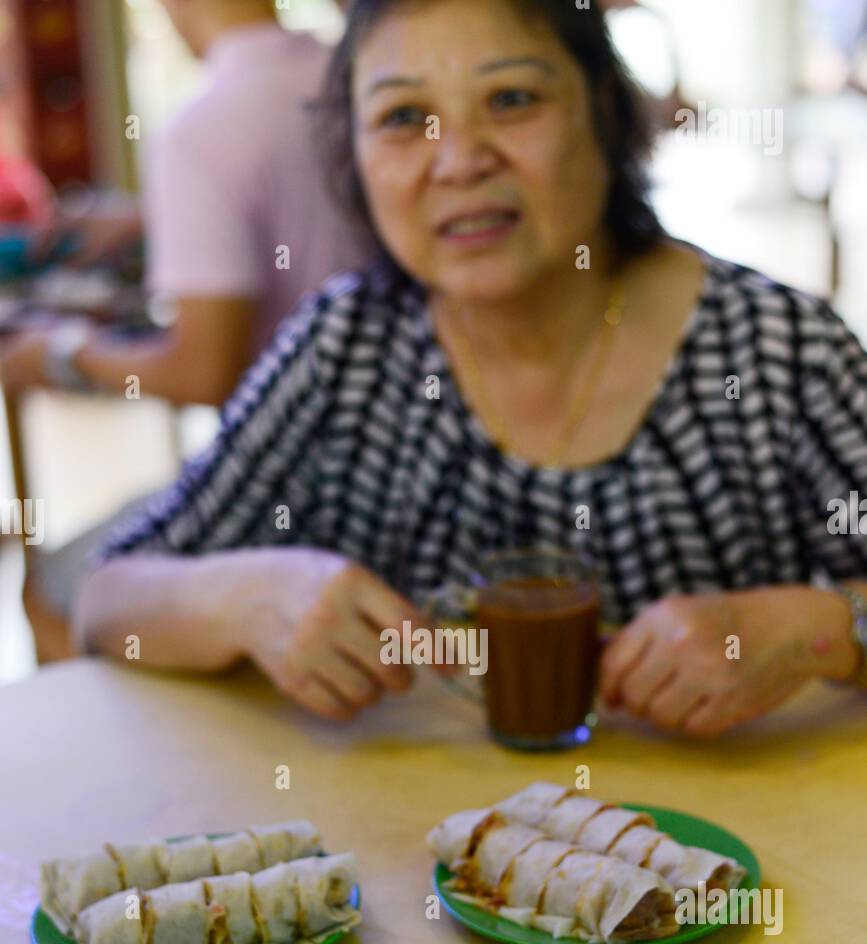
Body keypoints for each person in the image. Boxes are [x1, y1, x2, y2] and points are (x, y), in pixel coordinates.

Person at [75, 0, 867, 738]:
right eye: (402, 117)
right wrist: (241, 597)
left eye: (513, 100)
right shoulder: (345, 353)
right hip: (425, 866)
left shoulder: (774, 351)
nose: (457, 160)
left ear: (605, 112)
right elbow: (108, 600)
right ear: (349, 155)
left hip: (744, 869)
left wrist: (821, 628)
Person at [0, 0, 369, 404]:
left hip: (303, 435)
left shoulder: (199, 131)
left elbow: (203, 375)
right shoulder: (353, 74)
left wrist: (61, 355)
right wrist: (150, 219)